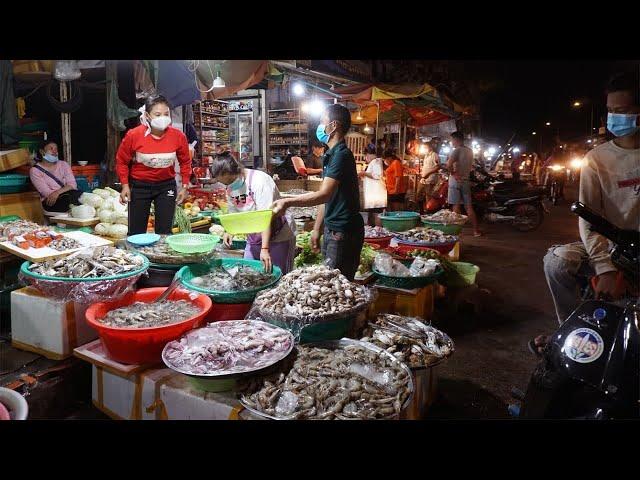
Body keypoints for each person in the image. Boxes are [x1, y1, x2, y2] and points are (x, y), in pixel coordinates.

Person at [532, 70, 640, 355]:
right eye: (610, 111)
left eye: (623, 110)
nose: (614, 117)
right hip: (613, 246)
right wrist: (605, 266)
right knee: (557, 262)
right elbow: (588, 219)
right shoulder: (597, 159)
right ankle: (570, 331)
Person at [271, 104, 364, 280]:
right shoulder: (331, 155)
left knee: (336, 286)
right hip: (333, 229)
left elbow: (324, 195)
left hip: (343, 232)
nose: (320, 126)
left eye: (323, 121)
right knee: (329, 281)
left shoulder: (341, 155)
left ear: (333, 125)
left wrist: (287, 201)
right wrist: (316, 229)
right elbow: (326, 198)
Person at [116, 94, 191, 234]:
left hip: (166, 185)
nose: (163, 117)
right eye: (157, 114)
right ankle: (137, 256)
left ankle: (161, 255)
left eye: (166, 114)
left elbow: (185, 162)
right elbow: (121, 161)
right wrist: (125, 185)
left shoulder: (178, 136)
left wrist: (185, 186)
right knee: (135, 232)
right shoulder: (134, 135)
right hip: (139, 186)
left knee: (164, 232)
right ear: (147, 115)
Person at [211, 152, 295, 274]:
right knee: (248, 274)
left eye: (229, 181)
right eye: (224, 184)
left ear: (238, 171)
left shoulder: (259, 181)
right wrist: (230, 231)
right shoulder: (230, 187)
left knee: (278, 276)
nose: (228, 186)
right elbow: (234, 213)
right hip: (254, 237)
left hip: (278, 235)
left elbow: (266, 217)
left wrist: (265, 249)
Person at [29, 140, 82, 213]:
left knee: (81, 196)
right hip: (51, 202)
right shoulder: (35, 171)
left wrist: (57, 192)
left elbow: (72, 184)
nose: (55, 151)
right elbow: (47, 193)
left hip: (68, 196)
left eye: (56, 149)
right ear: (42, 152)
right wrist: (62, 191)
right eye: (51, 149)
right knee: (72, 199)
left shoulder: (63, 164)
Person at [446, 131, 481, 237]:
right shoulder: (469, 151)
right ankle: (476, 231)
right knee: (469, 207)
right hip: (466, 180)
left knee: (456, 207)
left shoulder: (456, 150)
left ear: (456, 140)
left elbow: (448, 165)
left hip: (456, 181)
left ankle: (456, 232)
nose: (451, 142)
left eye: (452, 140)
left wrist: (453, 173)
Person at [358, 147, 387, 224]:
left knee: (377, 214)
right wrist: (364, 175)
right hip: (373, 195)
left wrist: (364, 173)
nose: (365, 158)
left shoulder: (376, 162)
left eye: (366, 155)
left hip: (377, 194)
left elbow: (377, 175)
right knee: (372, 214)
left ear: (369, 154)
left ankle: (378, 231)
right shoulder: (373, 163)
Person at [416, 141, 441, 214]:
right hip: (423, 179)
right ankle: (421, 212)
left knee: (428, 197)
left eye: (425, 147)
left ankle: (429, 213)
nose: (424, 149)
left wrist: (428, 173)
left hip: (430, 179)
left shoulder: (435, 155)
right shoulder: (426, 156)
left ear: (430, 147)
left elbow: (438, 166)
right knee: (418, 195)